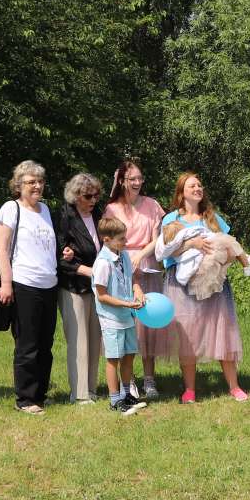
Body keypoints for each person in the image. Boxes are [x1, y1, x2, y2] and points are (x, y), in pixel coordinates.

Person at [156, 172, 247, 403]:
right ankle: (189, 390)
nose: (197, 188)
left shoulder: (212, 218)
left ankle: (234, 386)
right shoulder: (170, 220)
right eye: (192, 185)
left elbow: (230, 246)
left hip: (214, 284)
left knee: (222, 330)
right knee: (189, 335)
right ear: (181, 193)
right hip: (182, 285)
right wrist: (191, 243)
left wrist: (227, 259)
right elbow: (164, 253)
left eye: (199, 184)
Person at [0, 161, 60, 415]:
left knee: (46, 343)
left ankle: (40, 394)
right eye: (31, 181)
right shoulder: (11, 209)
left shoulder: (44, 210)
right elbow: (1, 248)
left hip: (49, 283)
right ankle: (25, 398)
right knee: (28, 344)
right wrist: (6, 282)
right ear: (18, 184)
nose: (37, 186)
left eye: (40, 181)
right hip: (24, 283)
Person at [104, 159, 169, 399]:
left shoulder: (152, 205)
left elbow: (157, 238)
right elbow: (109, 241)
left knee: (148, 325)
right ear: (122, 181)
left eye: (140, 178)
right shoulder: (112, 209)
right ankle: (128, 381)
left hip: (148, 265)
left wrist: (141, 255)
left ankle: (150, 379)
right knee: (125, 325)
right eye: (132, 179)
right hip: (121, 270)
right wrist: (127, 262)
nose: (138, 183)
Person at [56, 172, 106, 405]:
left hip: (98, 287)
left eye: (96, 195)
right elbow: (60, 257)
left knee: (95, 339)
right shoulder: (65, 217)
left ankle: (92, 388)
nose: (93, 200)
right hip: (73, 286)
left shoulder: (98, 214)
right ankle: (79, 393)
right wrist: (89, 271)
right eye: (88, 196)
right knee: (78, 340)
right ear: (76, 196)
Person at [92, 215, 148, 415]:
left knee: (129, 355)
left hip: (127, 315)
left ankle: (127, 394)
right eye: (122, 239)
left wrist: (138, 290)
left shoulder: (123, 255)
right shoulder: (103, 263)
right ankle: (115, 399)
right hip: (111, 318)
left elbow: (130, 279)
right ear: (107, 240)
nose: (126, 242)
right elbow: (102, 295)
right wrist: (126, 303)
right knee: (113, 358)